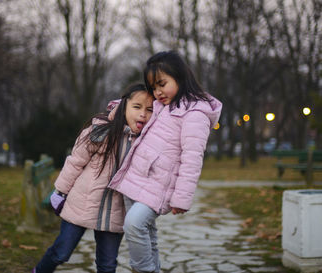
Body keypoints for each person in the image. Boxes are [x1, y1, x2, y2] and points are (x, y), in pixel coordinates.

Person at [108, 51, 222, 273]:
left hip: (160, 185)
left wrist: (182, 197)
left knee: (134, 224)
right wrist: (119, 107)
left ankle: (144, 270)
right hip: (137, 177)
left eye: (162, 84)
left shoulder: (195, 112)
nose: (157, 92)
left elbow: (192, 158)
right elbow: (137, 104)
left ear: (179, 76)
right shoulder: (163, 104)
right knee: (147, 232)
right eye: (153, 87)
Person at [33, 83, 154, 273]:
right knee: (61, 253)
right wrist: (61, 191)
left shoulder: (147, 141)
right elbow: (75, 162)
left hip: (115, 212)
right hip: (81, 204)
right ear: (124, 105)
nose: (143, 114)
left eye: (149, 110)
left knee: (107, 265)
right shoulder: (102, 130)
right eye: (137, 107)